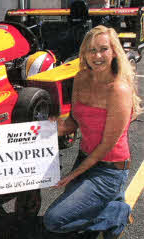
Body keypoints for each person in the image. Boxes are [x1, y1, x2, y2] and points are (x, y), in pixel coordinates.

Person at [43, 25, 142, 239]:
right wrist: (51, 128)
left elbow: (106, 145)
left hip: (109, 169)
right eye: (91, 50)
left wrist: (72, 175)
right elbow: (73, 122)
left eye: (103, 49)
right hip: (85, 159)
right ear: (84, 54)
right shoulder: (81, 78)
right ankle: (112, 202)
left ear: (114, 51)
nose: (97, 55)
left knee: (54, 220)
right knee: (68, 214)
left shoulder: (118, 90)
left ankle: (117, 211)